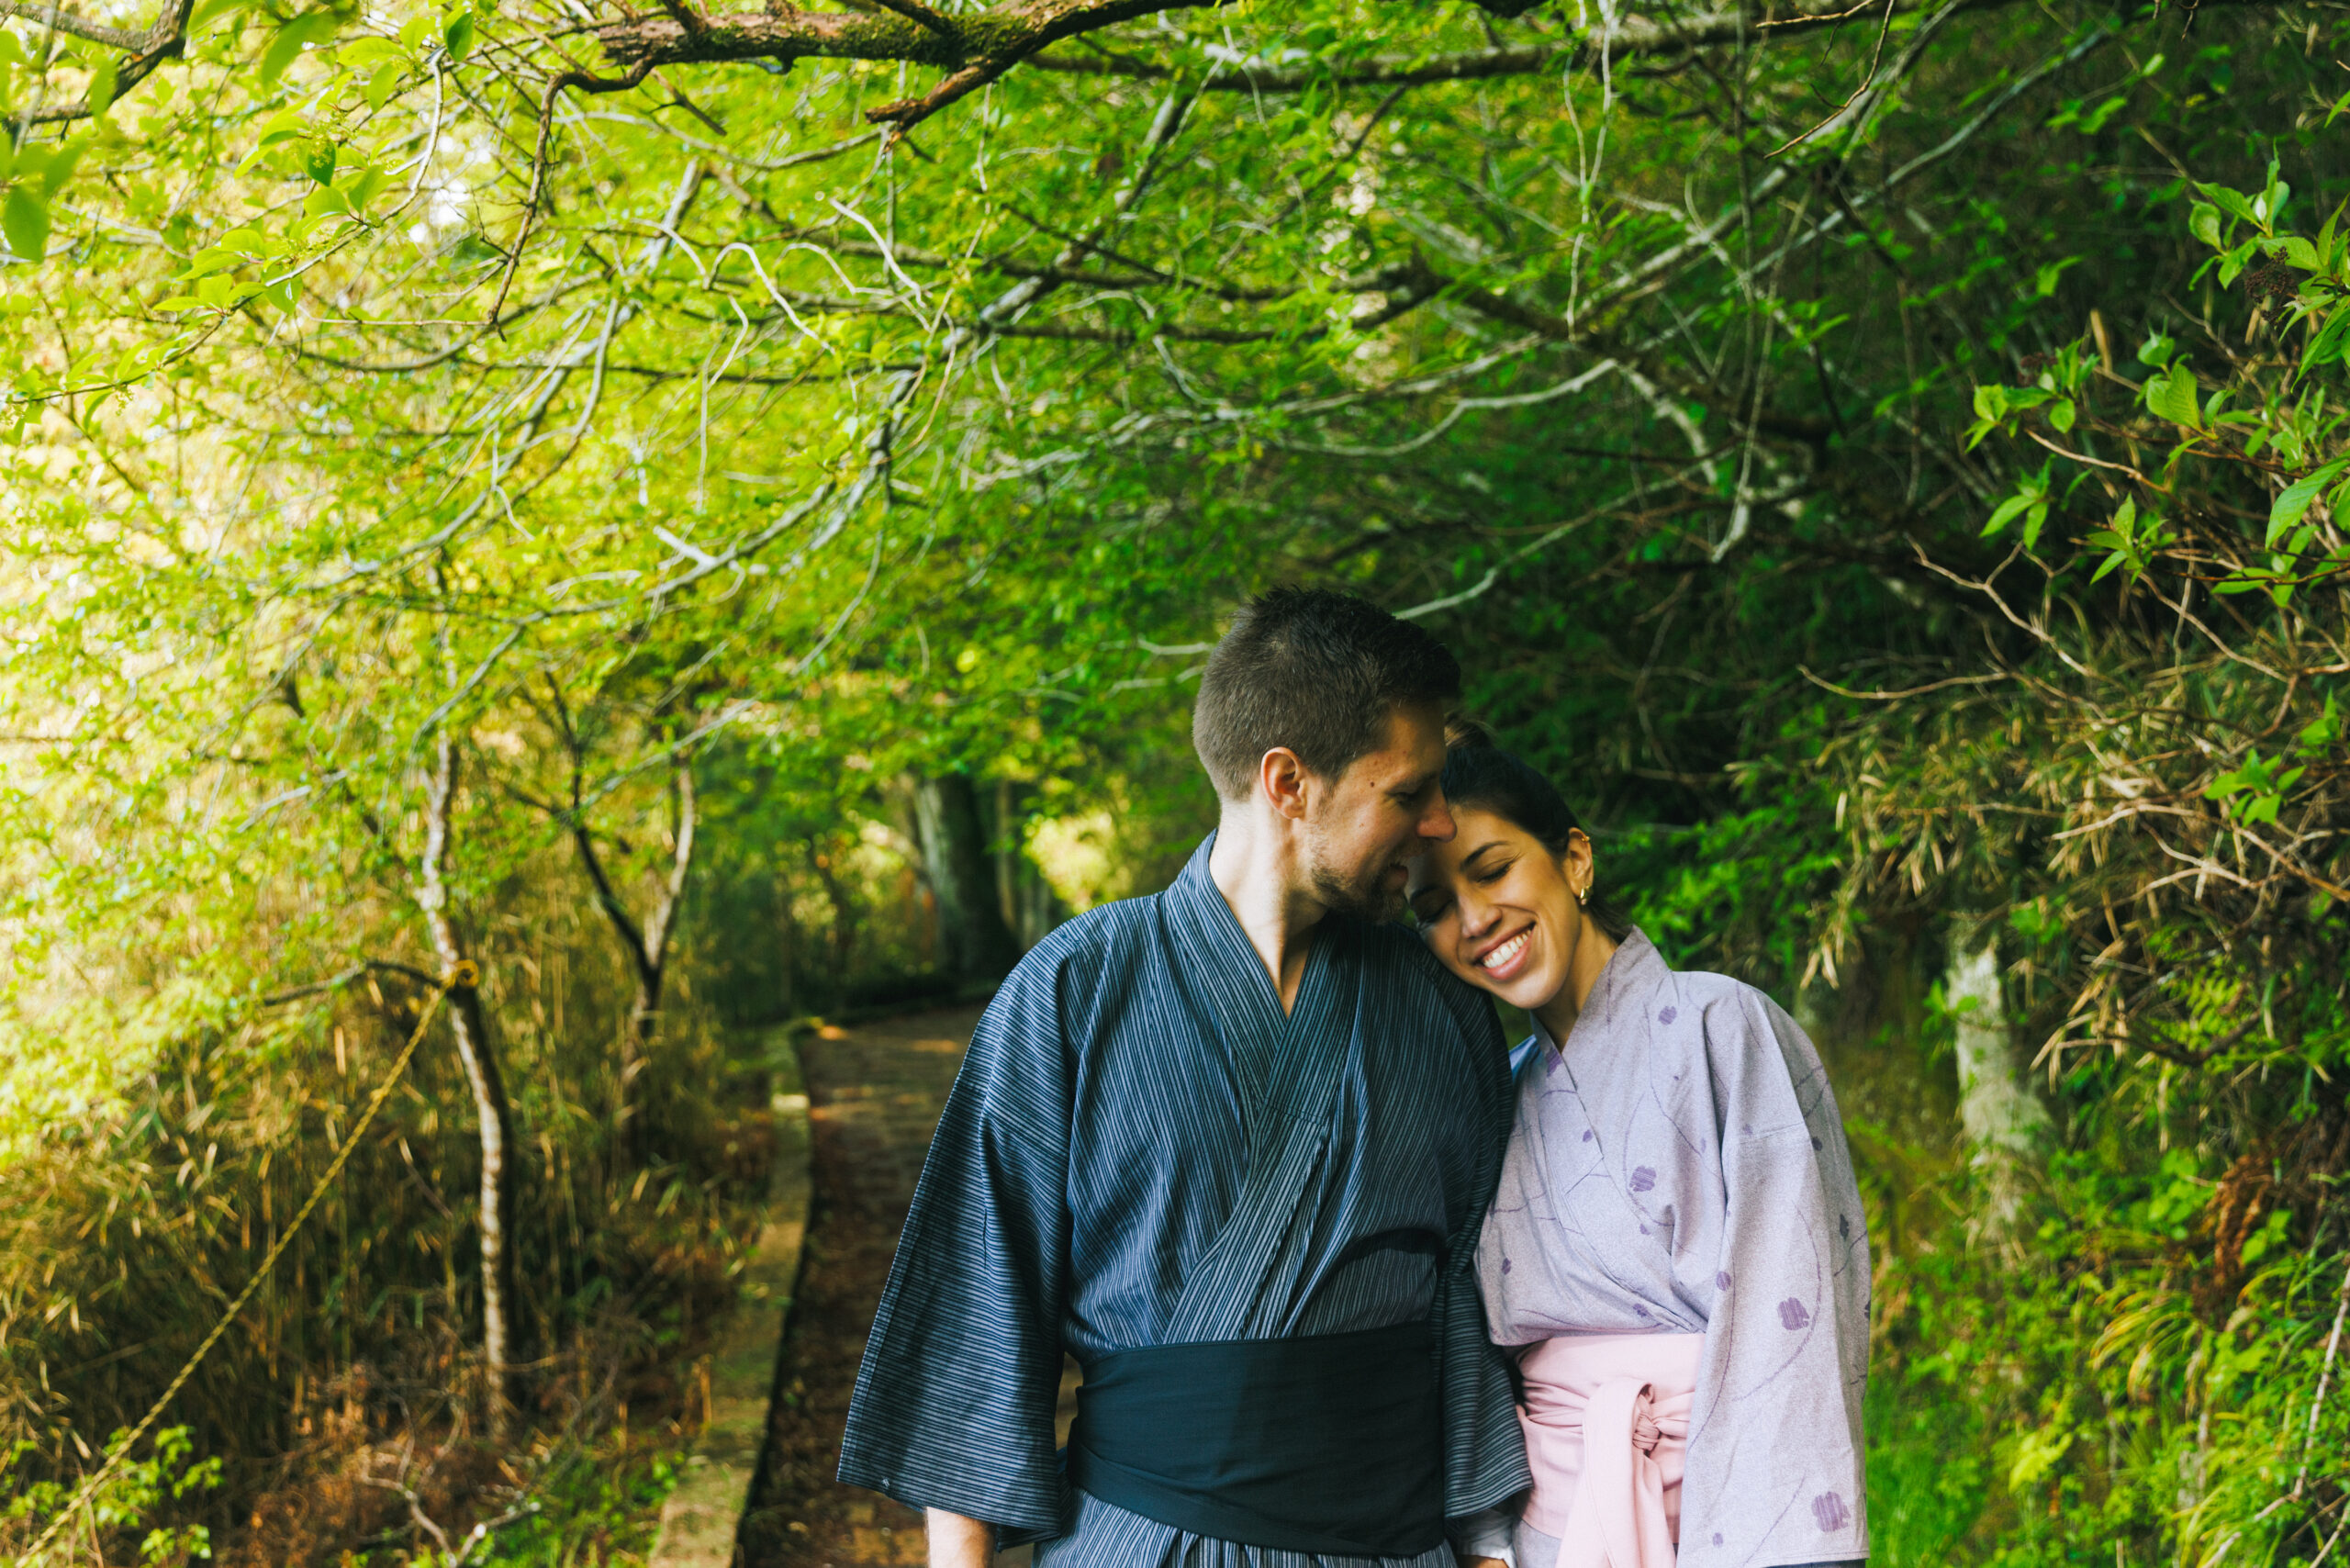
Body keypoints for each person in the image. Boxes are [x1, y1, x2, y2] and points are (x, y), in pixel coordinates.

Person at [838, 589, 1530, 1568]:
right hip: (1137, 1542)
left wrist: (1488, 1553)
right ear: (1288, 781)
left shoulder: (1444, 1012)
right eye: (1408, 793)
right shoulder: (1075, 990)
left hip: (1388, 1544)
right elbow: (980, 1312)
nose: (1438, 825)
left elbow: (1470, 1305)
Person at [1405, 734, 1870, 1568]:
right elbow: (1468, 1345)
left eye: (1492, 869)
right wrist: (1483, 1541)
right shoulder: (1491, 1099)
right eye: (1434, 908)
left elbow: (1792, 1311)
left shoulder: (1722, 1027)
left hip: (1734, 1519)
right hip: (1548, 1533)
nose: (1473, 920)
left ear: (1574, 859)